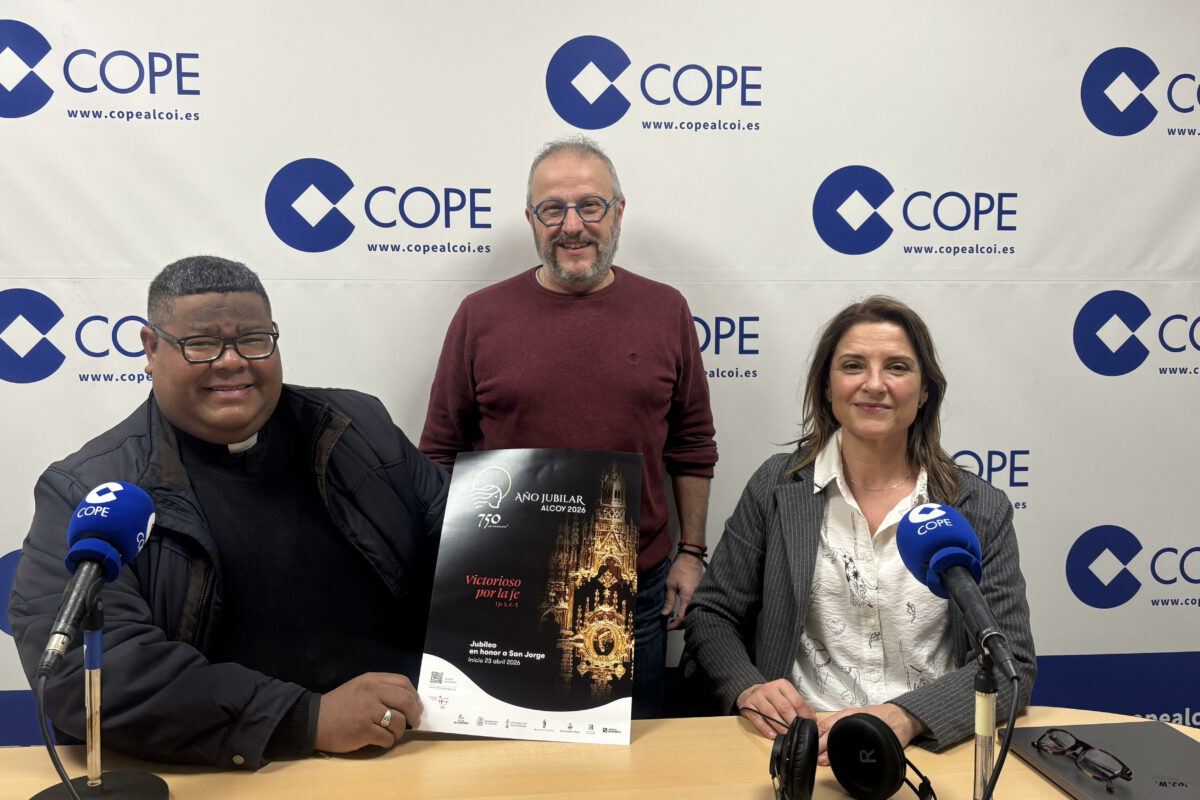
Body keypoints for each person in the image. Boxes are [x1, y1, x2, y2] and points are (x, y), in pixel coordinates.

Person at [8, 256, 447, 768]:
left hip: (406, 747)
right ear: (151, 348)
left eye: (254, 340)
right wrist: (306, 718)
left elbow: (469, 541)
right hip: (224, 771)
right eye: (201, 344)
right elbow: (89, 672)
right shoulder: (90, 491)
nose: (232, 361)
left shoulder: (359, 430)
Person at [419, 137, 718, 718]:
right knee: (504, 754)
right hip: (502, 587)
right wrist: (450, 567)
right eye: (552, 209)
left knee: (630, 756)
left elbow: (691, 444)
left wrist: (692, 551)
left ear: (619, 212)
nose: (572, 226)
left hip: (634, 590)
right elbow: (439, 451)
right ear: (531, 219)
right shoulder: (480, 315)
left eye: (591, 206)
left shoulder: (666, 310)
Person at [682, 296, 1035, 763]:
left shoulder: (979, 506)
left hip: (926, 747)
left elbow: (1012, 664)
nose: (874, 384)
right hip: (798, 744)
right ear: (827, 386)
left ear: (925, 391)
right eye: (853, 366)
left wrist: (906, 716)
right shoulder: (776, 486)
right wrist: (747, 687)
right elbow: (712, 615)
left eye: (897, 367)